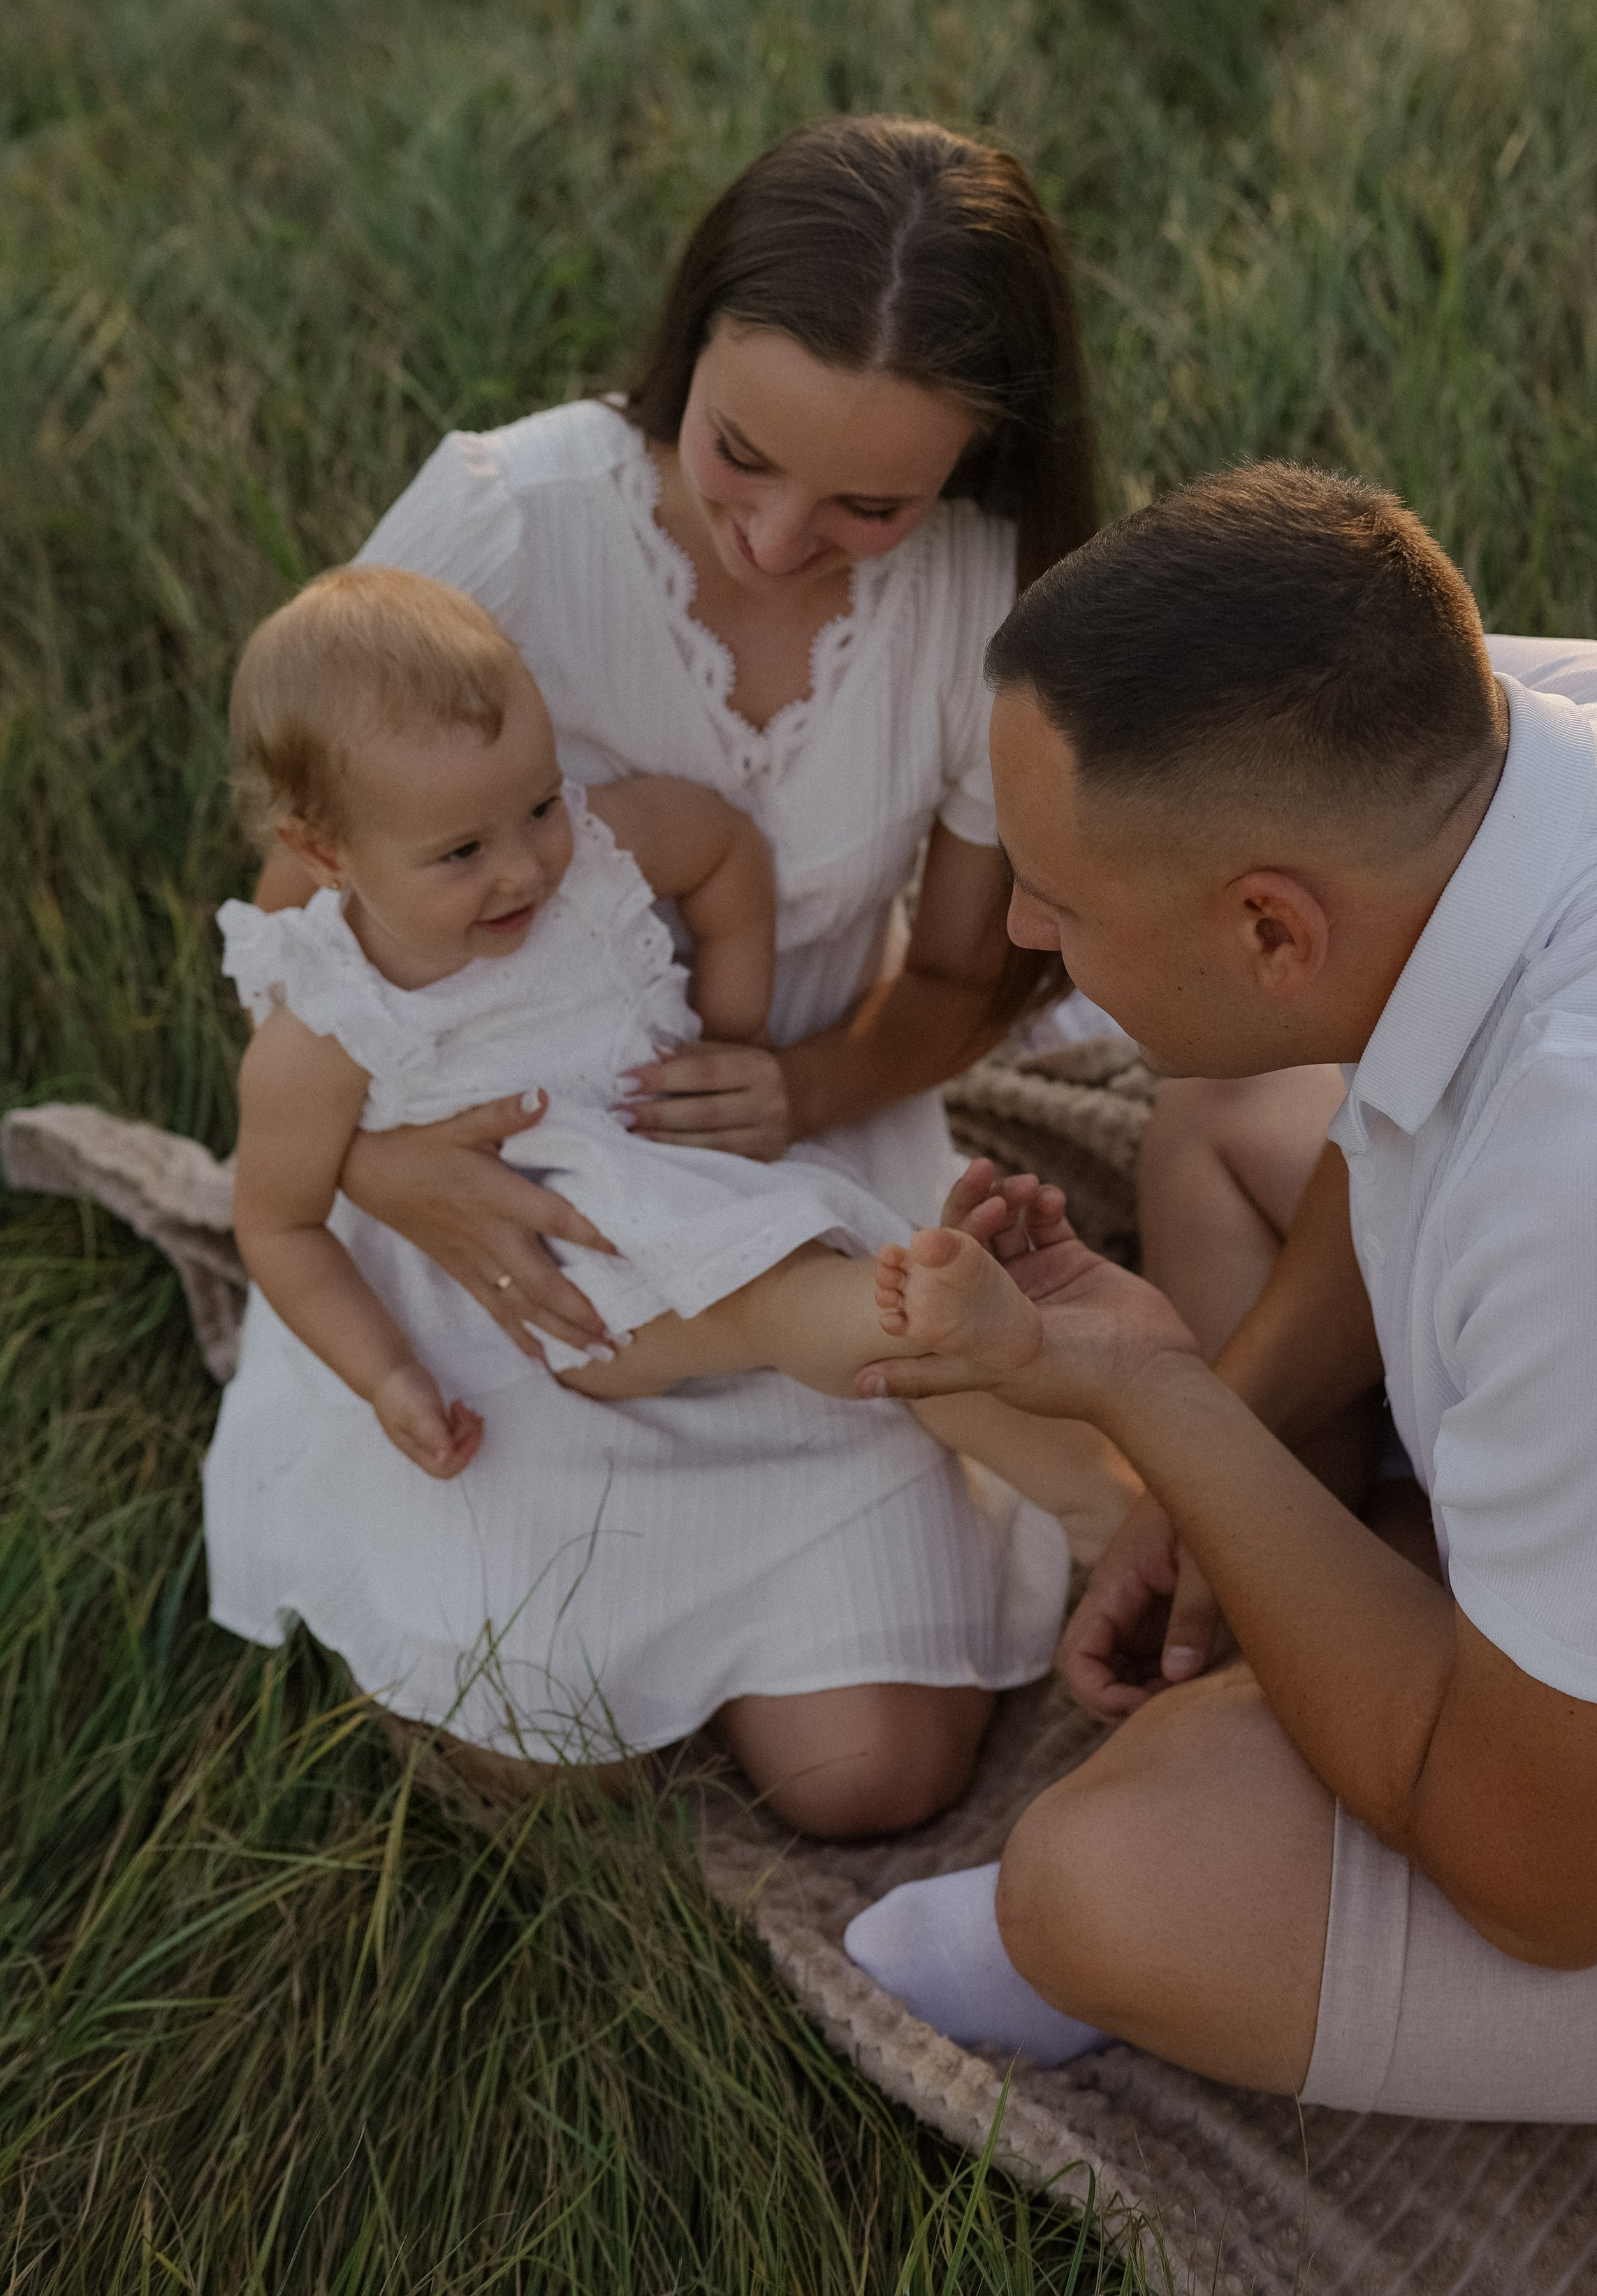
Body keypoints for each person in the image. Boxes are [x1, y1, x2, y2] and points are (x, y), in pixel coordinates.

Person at [203, 114, 1132, 1839]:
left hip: (789, 1148)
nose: (779, 539)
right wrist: (398, 1172)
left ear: (977, 465)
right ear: (687, 340)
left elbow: (954, 980)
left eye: (869, 502)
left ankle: (1098, 1495)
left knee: (871, 1776)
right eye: (739, 456)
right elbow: (308, 911)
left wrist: (800, 1086)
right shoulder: (508, 516)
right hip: (476, 1171)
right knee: (522, 1735)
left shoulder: (990, 598)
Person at [845, 462, 1597, 2131]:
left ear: (1273, 929)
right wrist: (1251, 1447)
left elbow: (1548, 1893)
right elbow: (1393, 1122)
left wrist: (1166, 1402)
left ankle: (1430, 1649)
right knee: (1220, 1119)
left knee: (1100, 1881)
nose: (1028, 933)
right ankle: (1425, 1603)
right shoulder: (1555, 725)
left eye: (1058, 908)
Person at [221, 563, 1123, 1551]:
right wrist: (387, 1374)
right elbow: (280, 1224)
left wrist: (734, 1035)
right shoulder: (329, 1026)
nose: (524, 868)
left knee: (844, 1301)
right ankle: (916, 1315)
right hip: (558, 1280)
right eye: (460, 854)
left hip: (681, 1174)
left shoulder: (595, 849)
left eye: (536, 808)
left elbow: (722, 849)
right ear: (326, 853)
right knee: (785, 1297)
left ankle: (1095, 1498)